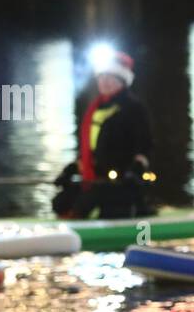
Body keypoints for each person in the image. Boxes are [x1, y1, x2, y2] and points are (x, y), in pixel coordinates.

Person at [53, 46, 155, 219]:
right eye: (102, 77)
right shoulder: (96, 108)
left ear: (122, 81)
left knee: (86, 205)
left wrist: (136, 168)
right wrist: (72, 169)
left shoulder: (133, 107)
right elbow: (91, 146)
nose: (104, 82)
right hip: (96, 177)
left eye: (110, 78)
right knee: (60, 203)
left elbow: (145, 144)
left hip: (121, 180)